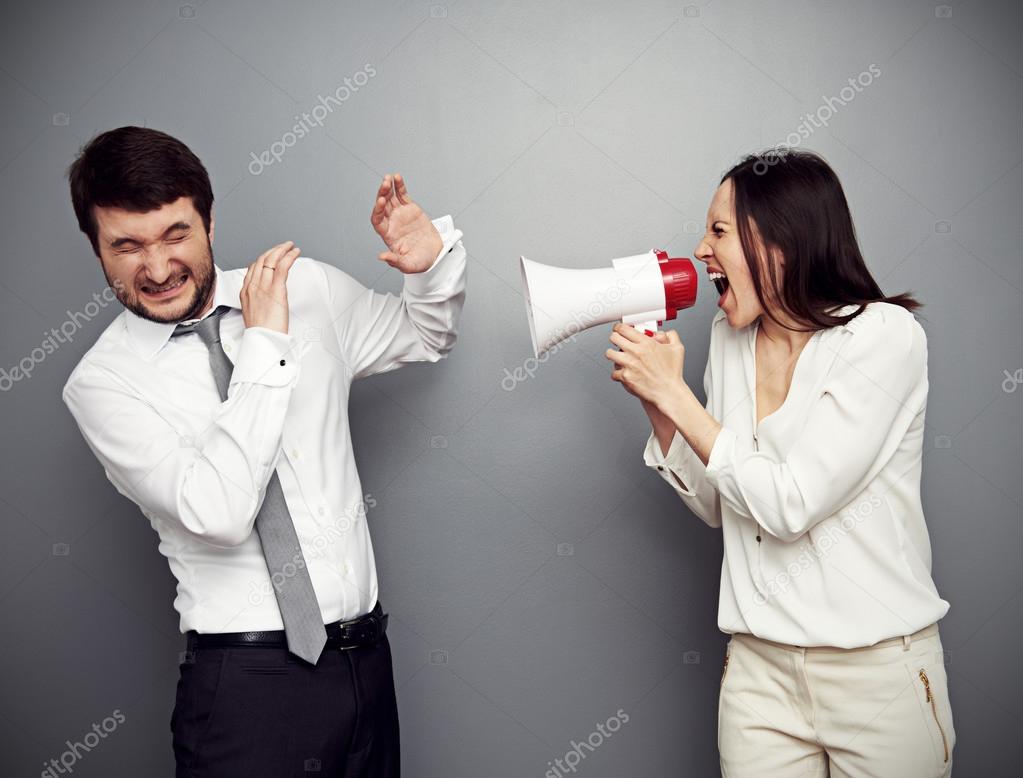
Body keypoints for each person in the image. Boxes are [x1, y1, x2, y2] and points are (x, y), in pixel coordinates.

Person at [61, 125, 467, 776]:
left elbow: (423, 335)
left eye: (175, 235)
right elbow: (221, 511)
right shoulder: (103, 385)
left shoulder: (306, 290)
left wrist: (428, 270)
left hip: (365, 659)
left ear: (210, 220)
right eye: (126, 246)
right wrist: (264, 344)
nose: (158, 268)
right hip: (246, 687)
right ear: (96, 248)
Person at [605, 148, 954, 777]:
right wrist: (660, 405)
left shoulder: (882, 337)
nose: (700, 251)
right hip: (758, 678)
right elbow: (722, 504)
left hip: (876, 677)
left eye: (718, 230)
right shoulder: (729, 337)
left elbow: (790, 504)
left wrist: (679, 397)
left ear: (782, 242)